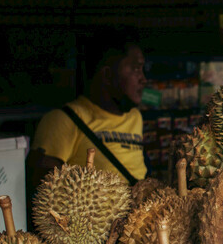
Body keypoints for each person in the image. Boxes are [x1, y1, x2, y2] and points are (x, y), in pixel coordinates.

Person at [27, 30, 148, 196]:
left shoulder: (135, 117)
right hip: (95, 218)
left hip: (140, 216)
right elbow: (40, 182)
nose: (143, 79)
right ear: (107, 75)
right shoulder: (64, 119)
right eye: (136, 69)